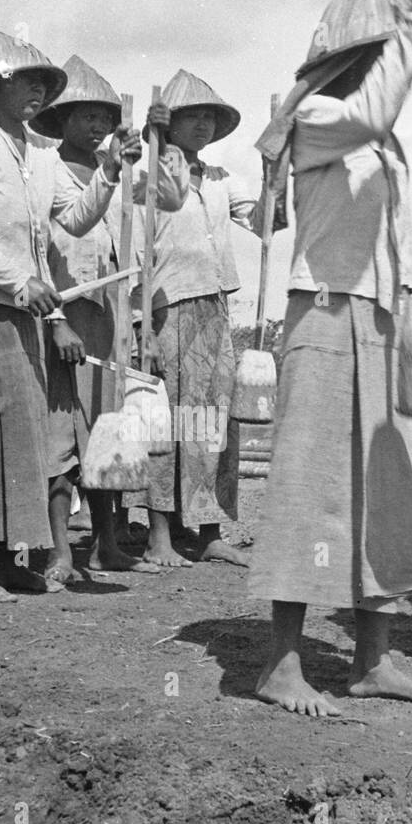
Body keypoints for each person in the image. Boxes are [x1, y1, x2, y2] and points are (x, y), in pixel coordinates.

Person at [247, 0, 412, 718]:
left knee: (387, 495)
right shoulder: (317, 124)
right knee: (312, 491)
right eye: (385, 60)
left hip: (381, 320)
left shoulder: (388, 146)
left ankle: (374, 659)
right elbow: (370, 111)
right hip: (327, 318)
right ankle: (280, 664)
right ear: (356, 62)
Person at [0, 30, 146, 603]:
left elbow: (73, 221)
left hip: (23, 316)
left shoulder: (39, 159)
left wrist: (109, 171)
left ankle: (6, 560)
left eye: (39, 85)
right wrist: (15, 277)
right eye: (23, 82)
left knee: (21, 438)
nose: (33, 92)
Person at [31, 55, 187, 582]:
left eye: (103, 116)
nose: (96, 125)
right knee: (59, 435)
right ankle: (58, 550)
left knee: (104, 427)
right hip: (61, 308)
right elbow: (54, 241)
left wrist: (159, 146)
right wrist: (55, 317)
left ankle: (106, 545)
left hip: (109, 312)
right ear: (60, 120)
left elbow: (168, 198)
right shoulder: (42, 170)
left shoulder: (120, 168)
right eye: (84, 116)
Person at [129, 70, 254, 569]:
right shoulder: (148, 177)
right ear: (170, 123)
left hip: (215, 307)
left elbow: (269, 222)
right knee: (164, 421)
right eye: (192, 116)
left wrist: (275, 172)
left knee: (212, 423)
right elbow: (135, 253)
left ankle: (209, 531)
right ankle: (159, 535)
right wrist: (143, 329)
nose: (202, 124)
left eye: (210, 117)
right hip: (167, 308)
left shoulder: (222, 180)